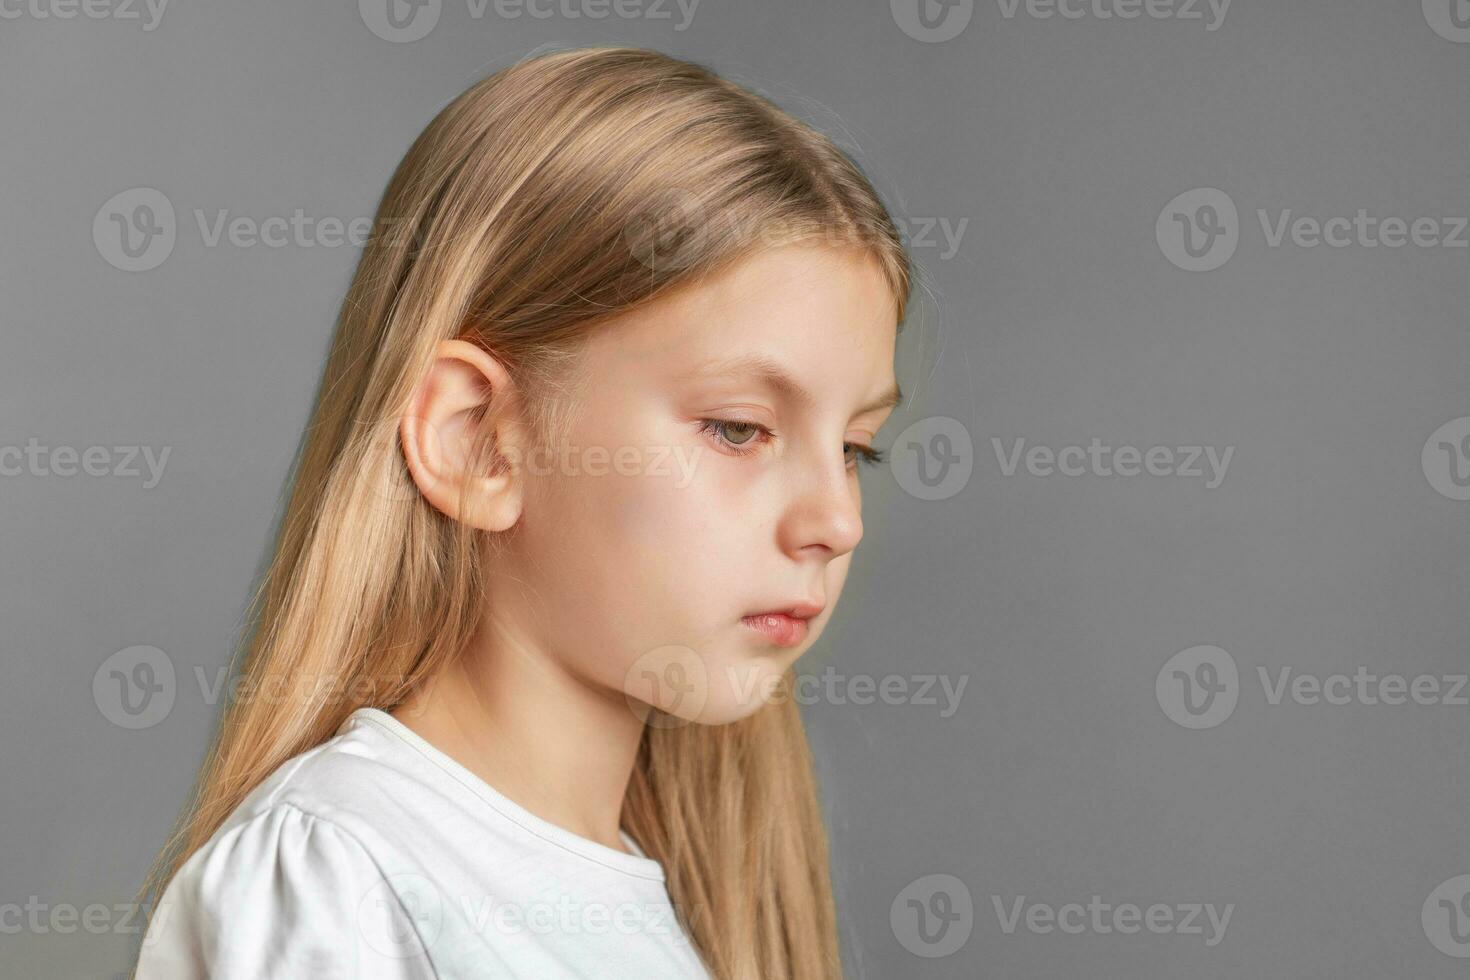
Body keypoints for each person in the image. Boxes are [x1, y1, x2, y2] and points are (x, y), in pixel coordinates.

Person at [132, 45, 911, 980]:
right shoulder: (341, 880)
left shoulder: (678, 919)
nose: (836, 520)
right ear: (478, 441)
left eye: (856, 448)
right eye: (740, 430)